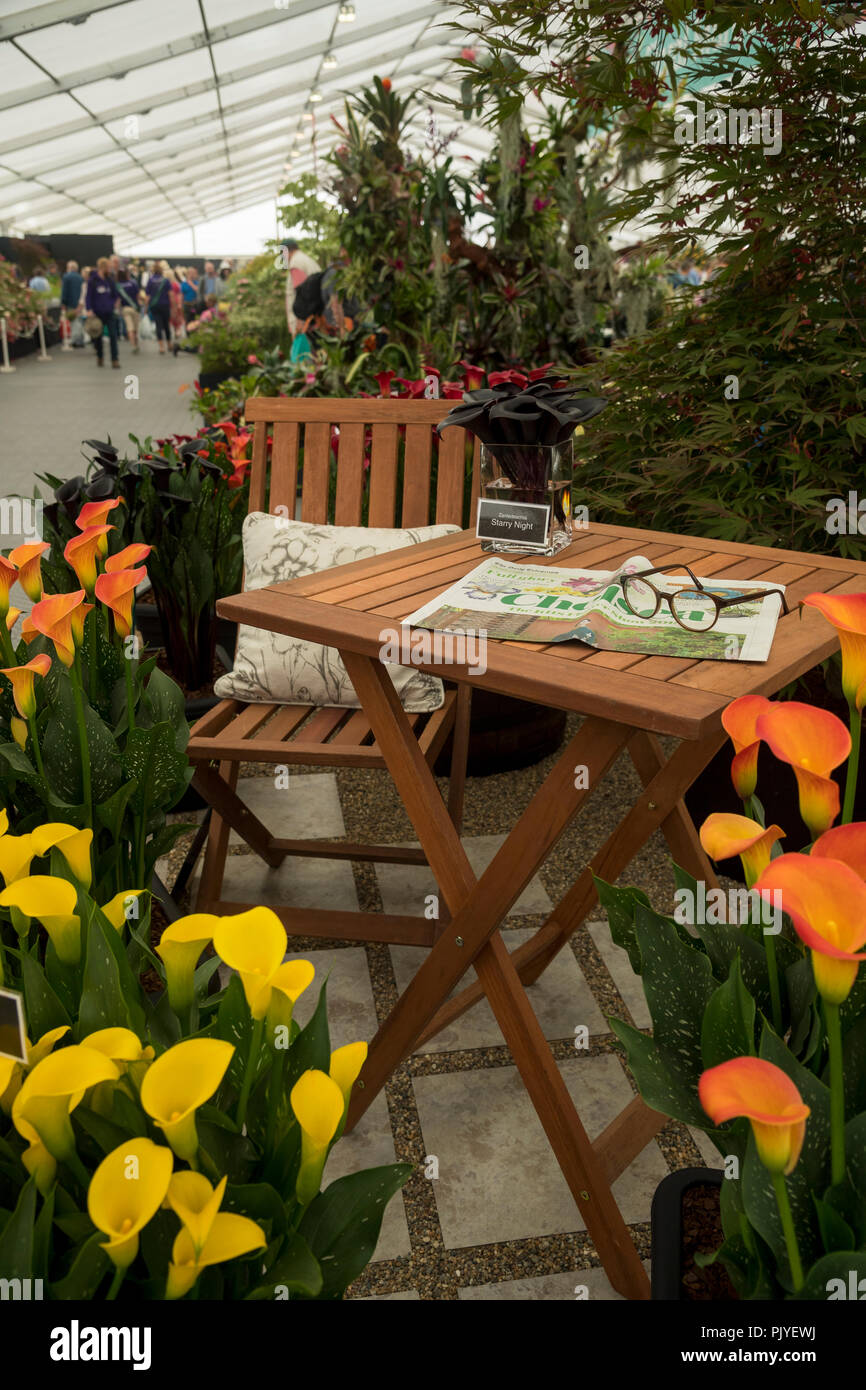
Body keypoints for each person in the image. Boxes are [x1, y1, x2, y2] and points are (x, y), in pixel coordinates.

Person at [282, 237, 321, 338]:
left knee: (304, 352)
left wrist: (300, 322)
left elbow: (302, 293)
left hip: (305, 323)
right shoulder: (307, 260)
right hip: (315, 317)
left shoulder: (296, 263)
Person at [85, 257, 120, 367]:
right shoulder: (93, 281)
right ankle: (100, 357)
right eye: (108, 267)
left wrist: (115, 303)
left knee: (113, 335)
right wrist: (89, 309)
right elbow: (88, 296)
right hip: (97, 312)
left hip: (109, 312)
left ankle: (115, 359)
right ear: (103, 267)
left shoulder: (110, 280)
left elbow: (115, 295)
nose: (109, 270)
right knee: (98, 336)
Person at [146, 260, 173, 353]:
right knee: (166, 326)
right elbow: (171, 294)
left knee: (158, 325)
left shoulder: (150, 281)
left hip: (155, 306)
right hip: (165, 305)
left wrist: (146, 308)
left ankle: (161, 347)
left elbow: (148, 296)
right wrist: (173, 306)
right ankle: (169, 344)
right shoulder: (166, 281)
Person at [116, 263, 141, 353]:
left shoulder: (118, 285)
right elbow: (138, 296)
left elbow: (118, 300)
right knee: (135, 328)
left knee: (129, 327)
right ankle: (136, 342)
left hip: (125, 309)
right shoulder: (133, 283)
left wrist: (117, 310)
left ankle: (133, 345)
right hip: (135, 308)